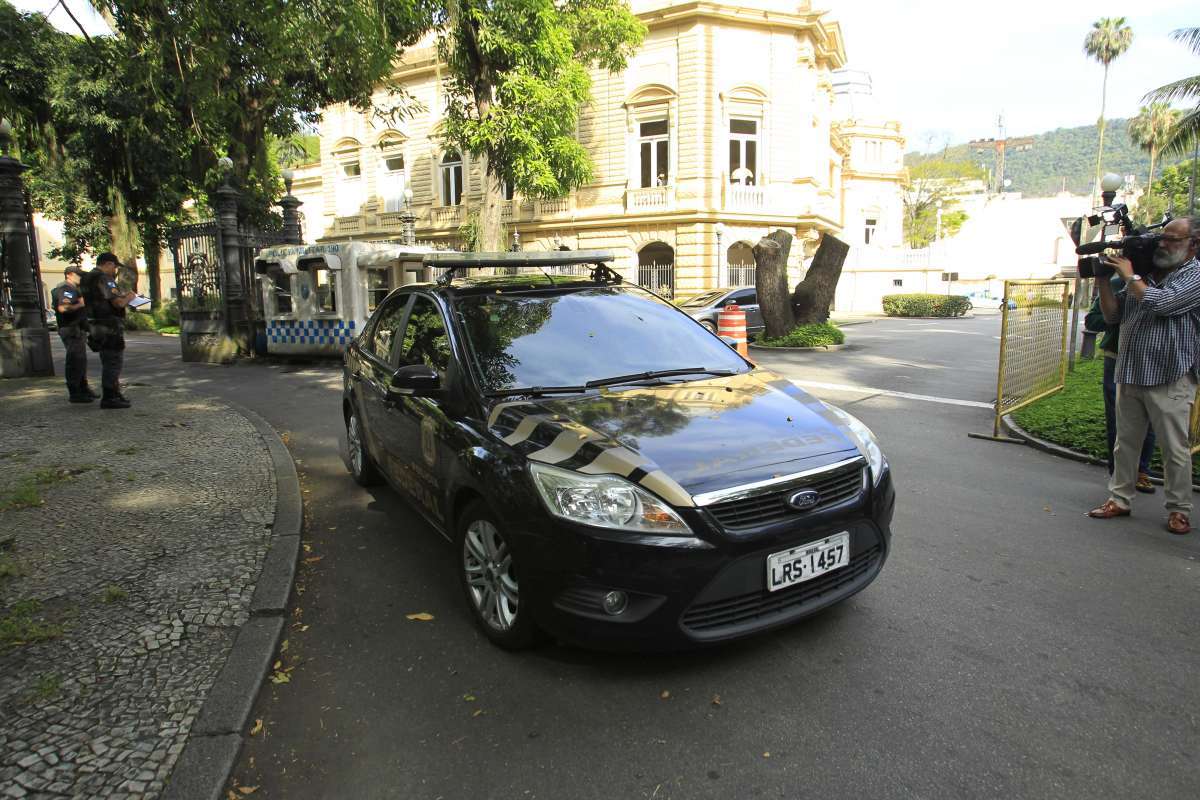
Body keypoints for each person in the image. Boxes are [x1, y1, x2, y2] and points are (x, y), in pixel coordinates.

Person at [1088, 217, 1200, 535]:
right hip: (1132, 370)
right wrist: (1103, 281)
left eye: (1173, 239)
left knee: (1174, 448)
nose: (1163, 244)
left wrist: (1130, 274)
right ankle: (1119, 499)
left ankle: (1179, 509)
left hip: (1171, 374)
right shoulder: (1146, 275)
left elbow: (1161, 303)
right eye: (1162, 238)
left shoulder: (1195, 275)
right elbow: (1113, 315)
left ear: (1194, 243)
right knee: (1125, 444)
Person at [1084, 277, 1157, 493]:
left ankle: (1141, 470)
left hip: (1151, 361)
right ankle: (1118, 472)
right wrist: (1116, 314)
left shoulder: (1160, 284)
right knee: (1117, 419)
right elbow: (1092, 321)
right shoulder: (1115, 285)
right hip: (1116, 358)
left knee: (1151, 419)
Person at [83, 252, 137, 409]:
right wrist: (130, 297)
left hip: (96, 325)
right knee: (113, 361)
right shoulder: (104, 279)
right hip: (109, 326)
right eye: (114, 267)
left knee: (107, 360)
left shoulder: (87, 278)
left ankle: (113, 393)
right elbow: (118, 303)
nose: (115, 271)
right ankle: (110, 396)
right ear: (108, 264)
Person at [50, 265, 97, 403]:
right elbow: (63, 308)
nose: (81, 277)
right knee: (74, 361)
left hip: (77, 329)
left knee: (80, 361)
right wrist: (80, 304)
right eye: (79, 275)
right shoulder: (66, 289)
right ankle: (75, 392)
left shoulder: (74, 289)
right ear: (69, 274)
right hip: (70, 329)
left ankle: (83, 388)